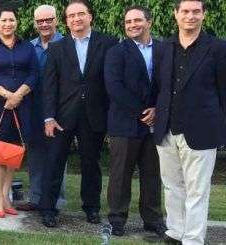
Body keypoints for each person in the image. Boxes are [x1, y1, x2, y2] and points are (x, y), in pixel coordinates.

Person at [147, 0, 226, 244]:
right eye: (185, 11)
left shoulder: (218, 48)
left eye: (195, 11)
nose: (190, 16)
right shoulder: (163, 48)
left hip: (202, 129)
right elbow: (159, 86)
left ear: (203, 15)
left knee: (197, 191)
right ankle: (175, 231)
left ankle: (192, 239)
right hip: (166, 128)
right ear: (176, 14)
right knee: (171, 186)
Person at [40, 0, 118, 228]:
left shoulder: (108, 43)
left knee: (91, 164)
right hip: (61, 117)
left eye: (80, 14)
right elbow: (49, 86)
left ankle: (92, 208)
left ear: (90, 16)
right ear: (66, 21)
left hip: (94, 115)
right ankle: (48, 209)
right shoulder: (57, 48)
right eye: (71, 16)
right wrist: (48, 117)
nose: (76, 19)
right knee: (54, 163)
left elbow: (110, 83)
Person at [103, 6, 164, 237]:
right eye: (128, 22)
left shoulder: (163, 49)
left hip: (156, 123)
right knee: (120, 175)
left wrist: (157, 109)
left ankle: (153, 219)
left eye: (137, 20)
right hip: (124, 122)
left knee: (152, 174)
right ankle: (117, 219)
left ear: (149, 22)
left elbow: (167, 84)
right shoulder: (116, 52)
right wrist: (142, 112)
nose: (132, 25)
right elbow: (114, 87)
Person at [0, 9, 37, 218]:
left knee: (13, 153)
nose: (7, 24)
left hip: (22, 105)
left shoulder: (27, 47)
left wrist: (18, 95)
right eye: (4, 20)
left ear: (16, 23)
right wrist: (7, 95)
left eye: (11, 20)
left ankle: (6, 196)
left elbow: (33, 75)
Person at [16, 4, 67, 213]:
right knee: (36, 156)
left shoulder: (66, 44)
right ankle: (36, 198)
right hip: (34, 110)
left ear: (56, 20)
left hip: (59, 110)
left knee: (57, 156)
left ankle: (56, 201)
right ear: (35, 24)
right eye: (40, 21)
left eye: (48, 20)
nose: (44, 24)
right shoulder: (30, 46)